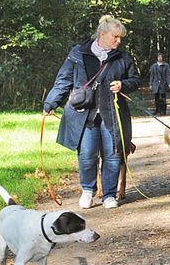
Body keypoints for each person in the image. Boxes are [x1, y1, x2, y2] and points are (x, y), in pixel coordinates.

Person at [43, 15, 140, 210]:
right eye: (116, 37)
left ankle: (109, 195)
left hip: (112, 114)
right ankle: (87, 191)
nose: (119, 41)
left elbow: (136, 80)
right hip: (83, 114)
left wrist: (123, 84)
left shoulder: (122, 57)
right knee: (87, 154)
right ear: (103, 34)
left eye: (121, 38)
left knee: (113, 155)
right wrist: (50, 103)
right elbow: (63, 80)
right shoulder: (78, 53)